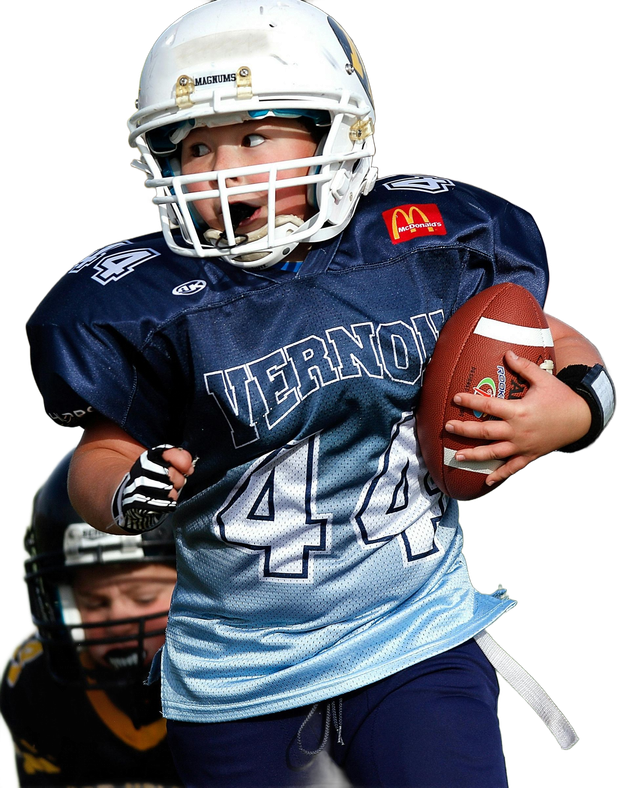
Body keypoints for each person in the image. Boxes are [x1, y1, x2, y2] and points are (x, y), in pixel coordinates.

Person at [25, 1, 615, 786]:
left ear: (340, 134)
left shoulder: (425, 240)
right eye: (195, 146)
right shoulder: (142, 300)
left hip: (414, 643)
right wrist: (122, 495)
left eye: (256, 133)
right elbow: (99, 452)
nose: (223, 166)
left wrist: (573, 408)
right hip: (238, 685)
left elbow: (549, 334)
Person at [0, 447, 183, 787]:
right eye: (94, 602)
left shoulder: (244, 670)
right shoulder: (36, 681)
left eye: (142, 596)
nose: (119, 616)